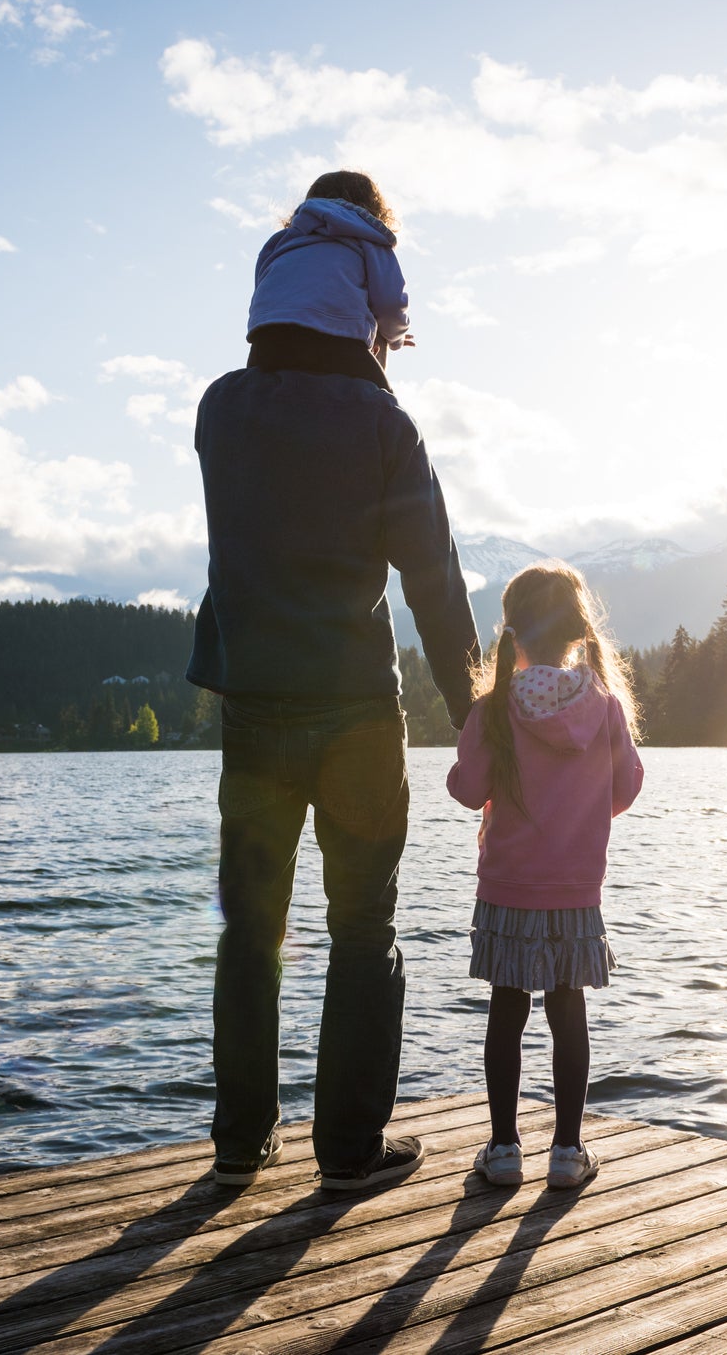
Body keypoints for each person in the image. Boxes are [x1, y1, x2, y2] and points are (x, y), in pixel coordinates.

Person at [190, 171, 480, 1193]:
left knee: (250, 931)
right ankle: (348, 1149)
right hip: (355, 711)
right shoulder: (382, 426)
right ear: (363, 292)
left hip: (253, 709)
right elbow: (435, 586)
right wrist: (477, 719)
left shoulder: (221, 410)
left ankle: (240, 1142)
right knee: (362, 930)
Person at [447, 564, 644, 1190]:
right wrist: (582, 811)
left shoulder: (494, 709)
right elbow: (627, 787)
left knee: (507, 1011)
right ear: (577, 633)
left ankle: (505, 1149)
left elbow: (467, 789)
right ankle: (566, 1151)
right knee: (568, 1009)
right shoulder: (604, 707)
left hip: (508, 886)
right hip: (575, 890)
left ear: (512, 634)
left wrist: (462, 763)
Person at [245, 170, 414, 389]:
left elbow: (263, 288)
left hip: (268, 340)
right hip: (337, 342)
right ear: (375, 209)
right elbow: (390, 304)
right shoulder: (371, 240)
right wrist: (396, 337)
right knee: (383, 398)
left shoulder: (280, 241)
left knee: (256, 392)